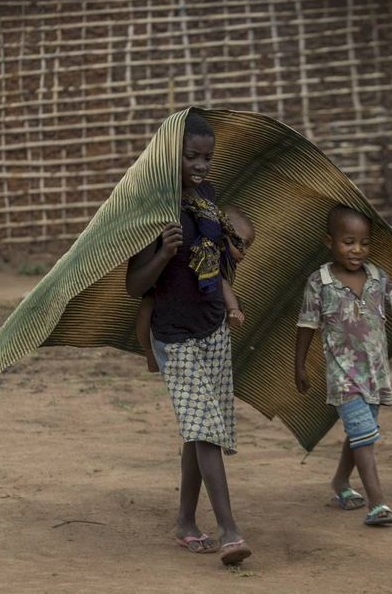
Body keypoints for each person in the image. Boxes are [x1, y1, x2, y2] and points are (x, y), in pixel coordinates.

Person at [125, 111, 252, 565]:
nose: (200, 166)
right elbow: (135, 286)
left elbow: (218, 261)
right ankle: (229, 530)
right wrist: (163, 254)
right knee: (205, 432)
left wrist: (231, 301)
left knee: (198, 432)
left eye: (206, 158)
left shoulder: (207, 198)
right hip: (174, 334)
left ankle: (184, 520)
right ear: (168, 157)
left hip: (213, 326)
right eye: (190, 156)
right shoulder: (152, 211)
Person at [294, 205, 392, 526]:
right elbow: (305, 326)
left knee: (360, 435)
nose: (357, 250)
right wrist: (298, 366)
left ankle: (341, 483)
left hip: (375, 375)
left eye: (364, 243)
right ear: (330, 242)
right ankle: (378, 503)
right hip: (343, 377)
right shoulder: (320, 282)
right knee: (364, 437)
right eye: (348, 241)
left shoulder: (377, 277)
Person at [136, 206, 255, 373]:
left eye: (246, 247)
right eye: (240, 244)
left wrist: (233, 309)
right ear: (222, 235)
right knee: (147, 305)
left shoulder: (222, 264)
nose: (244, 252)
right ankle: (149, 352)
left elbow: (223, 284)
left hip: (197, 316)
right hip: (169, 296)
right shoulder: (203, 247)